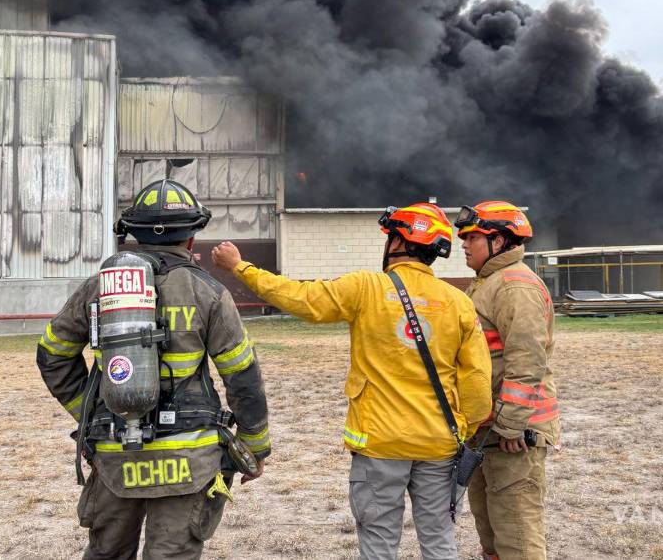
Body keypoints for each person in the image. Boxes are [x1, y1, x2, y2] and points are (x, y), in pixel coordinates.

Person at [212, 203, 491, 560]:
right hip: (439, 447)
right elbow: (479, 387)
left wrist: (240, 267)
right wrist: (460, 430)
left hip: (379, 445)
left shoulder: (366, 287)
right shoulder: (458, 303)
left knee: (378, 544)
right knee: (439, 541)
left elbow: (300, 298)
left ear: (397, 243)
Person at [38, 179, 271, 560]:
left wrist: (92, 411)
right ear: (192, 239)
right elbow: (241, 375)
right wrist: (255, 446)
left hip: (115, 455)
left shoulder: (99, 288)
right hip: (188, 460)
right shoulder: (208, 292)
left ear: (134, 235)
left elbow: (52, 353)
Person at [455, 201, 560, 560]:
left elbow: (527, 361)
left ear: (498, 241)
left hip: (514, 436)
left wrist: (513, 425)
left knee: (516, 535)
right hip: (489, 432)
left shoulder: (515, 287)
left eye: (472, 237)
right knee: (491, 531)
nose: (463, 244)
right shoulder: (488, 282)